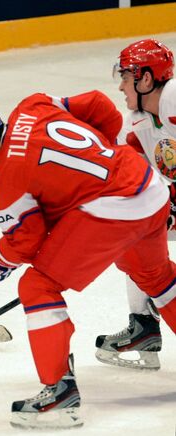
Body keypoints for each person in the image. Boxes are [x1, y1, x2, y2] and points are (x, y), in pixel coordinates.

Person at [0, 91, 176, 429]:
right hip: (147, 186)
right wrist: (102, 162)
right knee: (156, 277)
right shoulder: (32, 105)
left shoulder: (1, 182)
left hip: (114, 208)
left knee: (38, 285)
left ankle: (60, 395)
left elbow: (28, 240)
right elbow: (99, 105)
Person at [95, 38, 176, 370]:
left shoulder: (174, 98)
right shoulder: (136, 123)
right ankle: (142, 324)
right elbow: (137, 181)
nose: (120, 86)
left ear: (146, 79)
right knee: (131, 232)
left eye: (126, 77)